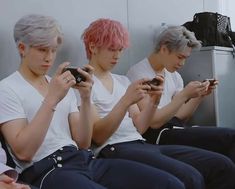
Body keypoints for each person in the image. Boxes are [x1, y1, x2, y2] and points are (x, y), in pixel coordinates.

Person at [0, 14, 185, 189]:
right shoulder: (7, 88)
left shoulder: (57, 83)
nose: (49, 57)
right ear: (22, 48)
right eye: (42, 50)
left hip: (83, 158)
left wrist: (86, 98)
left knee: (170, 184)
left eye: (53, 50)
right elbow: (24, 152)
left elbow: (83, 142)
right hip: (47, 169)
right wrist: (51, 100)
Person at [81, 18, 235, 189]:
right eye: (111, 49)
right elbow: (98, 137)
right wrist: (125, 101)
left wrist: (155, 100)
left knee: (222, 165)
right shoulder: (84, 84)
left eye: (120, 50)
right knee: (191, 177)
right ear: (93, 47)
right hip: (113, 148)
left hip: (140, 142)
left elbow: (140, 127)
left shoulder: (122, 81)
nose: (117, 56)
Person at [126, 25, 235, 163]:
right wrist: (184, 95)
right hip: (157, 135)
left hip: (175, 128)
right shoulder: (138, 74)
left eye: (185, 58)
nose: (182, 63)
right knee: (228, 137)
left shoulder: (175, 76)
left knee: (226, 142)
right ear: (164, 49)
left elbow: (181, 116)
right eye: (179, 57)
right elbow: (153, 122)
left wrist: (199, 95)